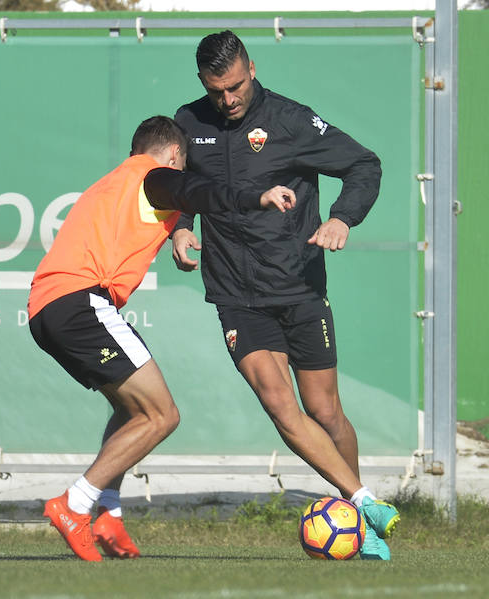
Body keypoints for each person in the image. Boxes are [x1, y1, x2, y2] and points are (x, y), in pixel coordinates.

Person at [169, 31, 400, 560]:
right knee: (279, 403)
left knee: (324, 410)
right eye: (216, 90)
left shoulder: (293, 121)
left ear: (252, 67)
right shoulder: (190, 122)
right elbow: (177, 186)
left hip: (297, 286)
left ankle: (355, 516)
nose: (227, 100)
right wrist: (181, 228)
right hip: (234, 292)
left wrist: (342, 217)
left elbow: (365, 165)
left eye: (234, 87)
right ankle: (363, 507)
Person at [28, 115, 296, 562]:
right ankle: (75, 505)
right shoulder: (153, 176)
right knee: (162, 416)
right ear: (174, 156)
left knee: (129, 408)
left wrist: (179, 229)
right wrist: (258, 196)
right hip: (80, 302)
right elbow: (202, 194)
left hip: (48, 307)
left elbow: (163, 211)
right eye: (183, 163)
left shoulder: (116, 181)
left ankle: (108, 515)